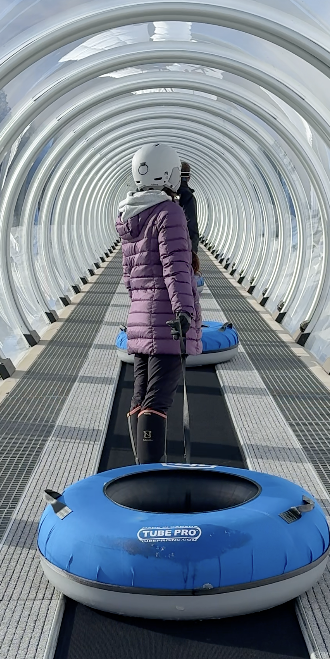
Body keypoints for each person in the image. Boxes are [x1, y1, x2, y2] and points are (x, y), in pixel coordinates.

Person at [116, 142, 203, 463]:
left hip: (140, 315)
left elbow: (128, 276)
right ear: (168, 172)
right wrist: (184, 311)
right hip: (167, 317)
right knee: (157, 399)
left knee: (140, 395)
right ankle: (151, 478)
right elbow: (177, 267)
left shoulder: (128, 215)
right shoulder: (169, 212)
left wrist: (139, 309)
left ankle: (140, 473)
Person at [178, 160, 200, 257]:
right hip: (183, 247)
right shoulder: (188, 196)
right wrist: (193, 253)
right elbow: (191, 226)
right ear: (189, 177)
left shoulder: (164, 194)